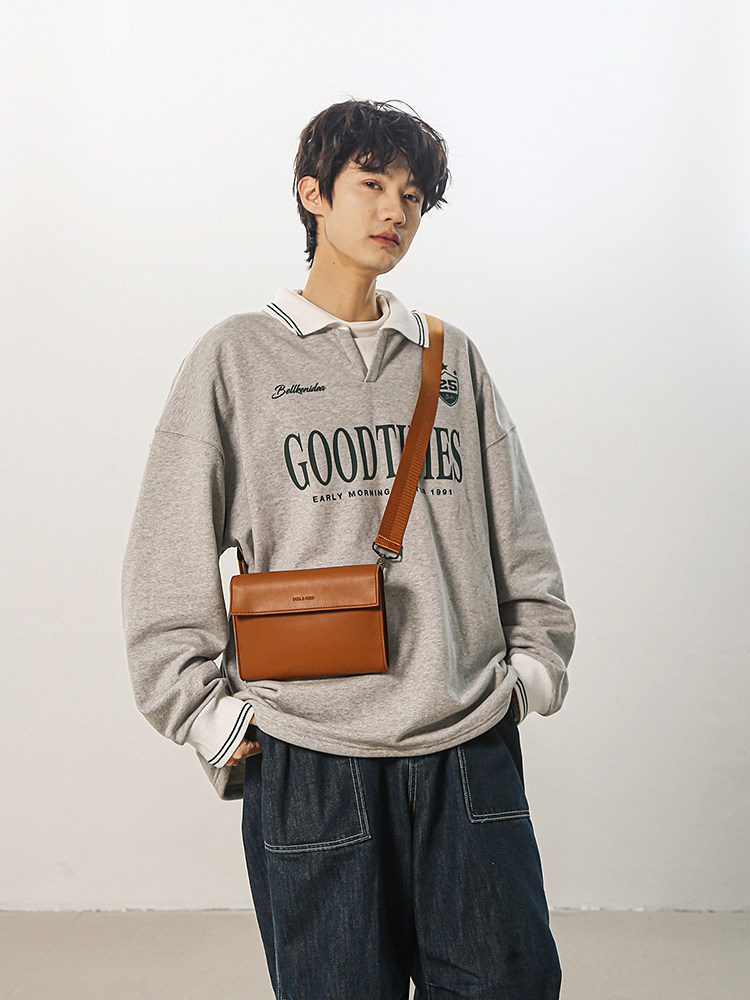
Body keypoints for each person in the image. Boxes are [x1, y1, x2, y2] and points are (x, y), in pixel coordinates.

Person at [121, 97, 576, 1000]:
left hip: (464, 743)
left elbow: (520, 536)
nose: (394, 211)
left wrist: (532, 671)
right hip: (309, 755)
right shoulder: (235, 357)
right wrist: (207, 716)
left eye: (412, 195)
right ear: (313, 195)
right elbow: (165, 552)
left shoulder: (450, 358)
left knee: (509, 984)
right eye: (371, 184)